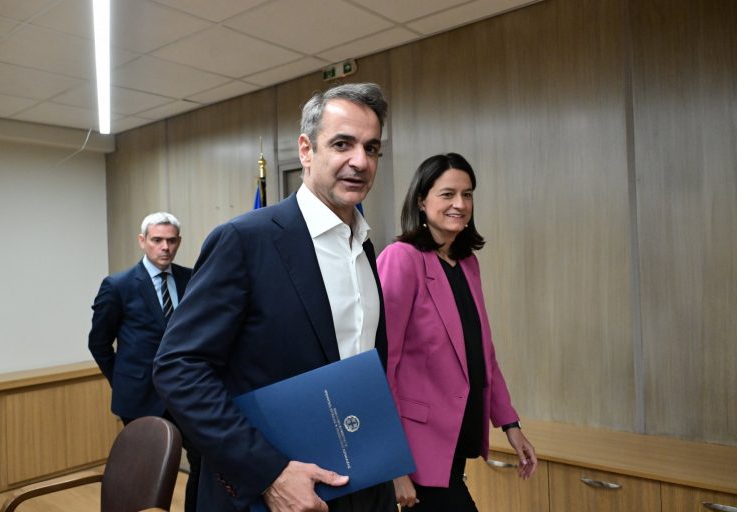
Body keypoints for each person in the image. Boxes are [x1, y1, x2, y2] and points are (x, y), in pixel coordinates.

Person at [153, 83, 396, 512]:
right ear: (306, 150)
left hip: (361, 483)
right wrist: (269, 473)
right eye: (342, 144)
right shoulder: (245, 240)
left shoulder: (363, 246)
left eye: (371, 148)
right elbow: (178, 367)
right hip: (273, 492)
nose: (360, 161)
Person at [377, 153, 538, 510]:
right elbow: (381, 363)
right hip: (416, 448)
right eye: (447, 194)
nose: (460, 204)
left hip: (456, 439)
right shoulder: (401, 258)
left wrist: (510, 424)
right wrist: (392, 463)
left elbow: (483, 353)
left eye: (467, 194)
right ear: (422, 200)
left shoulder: (467, 263)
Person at [88, 211, 200, 512]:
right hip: (139, 397)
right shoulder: (118, 285)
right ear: (142, 241)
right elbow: (98, 343)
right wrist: (123, 381)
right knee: (145, 473)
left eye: (171, 241)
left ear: (179, 242)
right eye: (157, 240)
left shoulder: (191, 278)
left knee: (203, 458)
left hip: (185, 392)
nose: (165, 247)